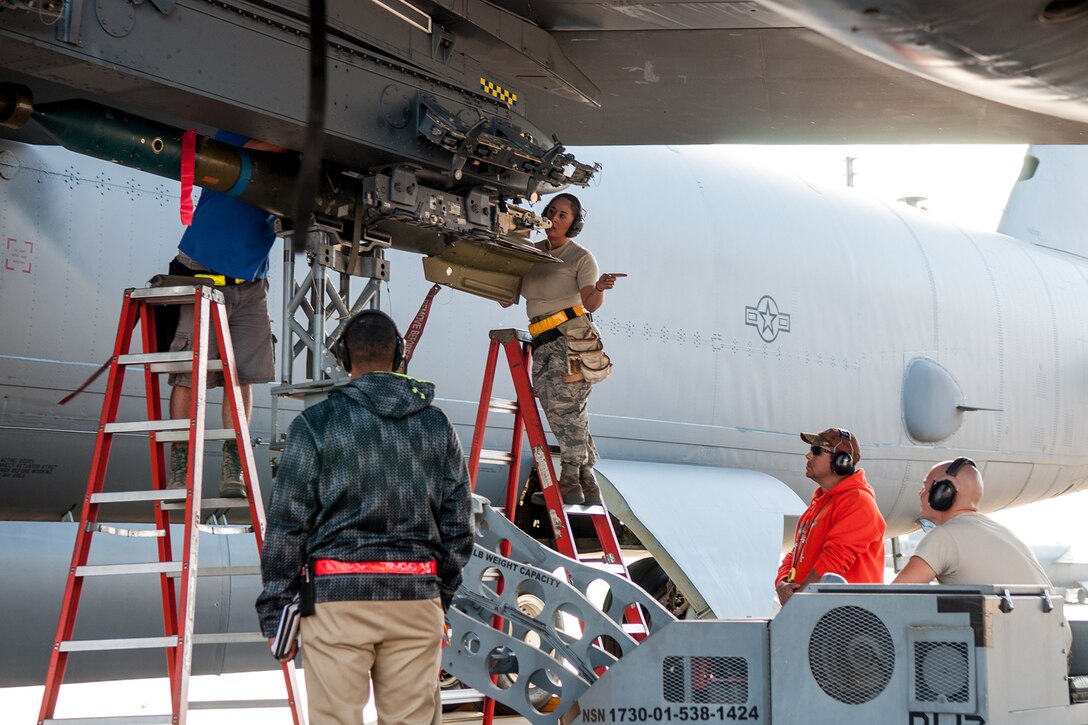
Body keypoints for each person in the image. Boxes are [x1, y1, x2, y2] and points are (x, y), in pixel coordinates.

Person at [256, 309, 473, 725]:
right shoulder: (436, 425)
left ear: (342, 357)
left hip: (337, 601)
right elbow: (459, 525)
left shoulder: (314, 424)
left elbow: (287, 525)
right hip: (415, 596)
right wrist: (437, 595)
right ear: (400, 356)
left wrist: (275, 611)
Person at [166, 130, 291, 497]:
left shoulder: (287, 160)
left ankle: (233, 463)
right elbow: (252, 148)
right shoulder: (236, 127)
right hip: (201, 273)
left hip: (251, 284)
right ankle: (182, 464)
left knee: (242, 376)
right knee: (190, 376)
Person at [519, 192, 622, 506]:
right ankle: (586, 482)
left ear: (573, 223)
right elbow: (505, 294)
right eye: (552, 211)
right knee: (561, 411)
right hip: (543, 341)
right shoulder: (531, 254)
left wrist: (601, 288)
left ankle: (570, 479)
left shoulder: (580, 257)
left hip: (571, 338)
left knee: (567, 410)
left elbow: (589, 302)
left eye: (563, 214)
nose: (555, 217)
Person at [892, 458, 1053, 587]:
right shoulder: (1005, 533)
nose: (920, 493)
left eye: (925, 487)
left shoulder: (944, 536)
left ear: (942, 493)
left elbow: (893, 598)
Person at [775, 427, 886, 606]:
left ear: (841, 462)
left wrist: (799, 600)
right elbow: (795, 553)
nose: (808, 456)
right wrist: (782, 583)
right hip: (819, 612)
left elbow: (834, 561)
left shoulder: (858, 501)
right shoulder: (819, 504)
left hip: (846, 618)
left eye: (817, 451)